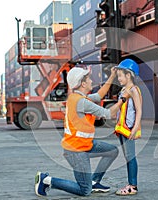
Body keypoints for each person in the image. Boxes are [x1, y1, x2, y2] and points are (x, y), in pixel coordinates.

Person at [35, 66, 130, 197]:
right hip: (76, 151)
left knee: (112, 151)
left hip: (84, 144)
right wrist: (123, 99)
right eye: (89, 78)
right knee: (84, 190)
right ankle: (46, 180)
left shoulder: (77, 97)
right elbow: (108, 113)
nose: (92, 81)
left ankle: (94, 181)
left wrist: (112, 76)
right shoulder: (82, 102)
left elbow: (99, 95)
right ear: (83, 83)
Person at [114, 59, 142, 196]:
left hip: (129, 129)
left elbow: (139, 110)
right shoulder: (124, 90)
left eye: (120, 75)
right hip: (122, 129)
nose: (118, 78)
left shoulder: (134, 90)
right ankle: (131, 183)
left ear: (129, 75)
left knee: (131, 157)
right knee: (127, 157)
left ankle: (133, 186)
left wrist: (135, 127)